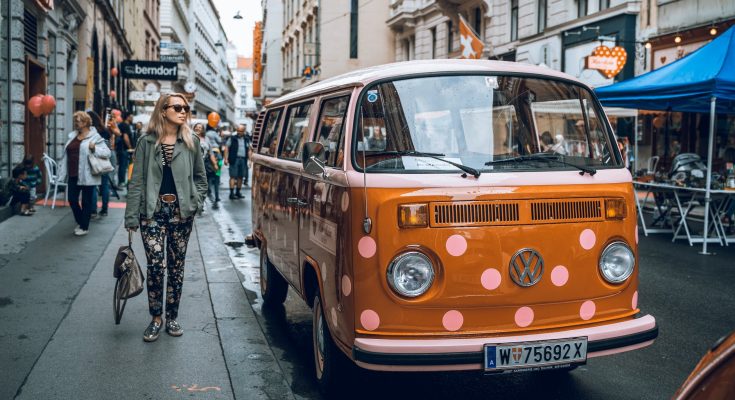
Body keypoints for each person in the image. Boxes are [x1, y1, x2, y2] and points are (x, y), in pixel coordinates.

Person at [125, 93, 207, 342]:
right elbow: (137, 181)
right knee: (156, 266)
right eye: (177, 107)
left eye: (186, 108)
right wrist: (131, 217)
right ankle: (155, 318)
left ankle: (172, 316)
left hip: (181, 213)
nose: (183, 112)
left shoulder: (191, 140)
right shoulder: (147, 142)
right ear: (163, 111)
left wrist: (196, 201)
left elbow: (201, 179)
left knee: (176, 267)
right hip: (152, 212)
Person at [58, 111, 111, 236]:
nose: (76, 123)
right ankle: (81, 221)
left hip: (87, 174)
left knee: (86, 202)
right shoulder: (72, 136)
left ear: (86, 122)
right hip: (72, 173)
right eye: (75, 121)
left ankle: (84, 226)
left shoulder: (95, 136)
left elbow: (107, 152)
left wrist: (95, 148)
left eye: (79, 121)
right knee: (72, 199)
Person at [194, 123, 220, 210]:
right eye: (196, 127)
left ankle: (201, 203)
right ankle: (195, 203)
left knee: (204, 184)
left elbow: (211, 153)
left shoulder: (206, 139)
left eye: (200, 128)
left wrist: (215, 164)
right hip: (193, 164)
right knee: (194, 184)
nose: (198, 129)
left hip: (204, 164)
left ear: (203, 130)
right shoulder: (190, 138)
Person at [224, 124, 252, 199]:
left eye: (241, 131)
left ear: (244, 131)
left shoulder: (247, 139)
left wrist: (250, 160)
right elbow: (226, 148)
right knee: (232, 176)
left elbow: (249, 150)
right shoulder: (232, 138)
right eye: (238, 131)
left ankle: (238, 192)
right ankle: (231, 193)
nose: (239, 132)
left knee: (240, 177)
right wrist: (226, 159)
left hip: (243, 160)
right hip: (234, 159)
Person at [117, 112, 134, 186]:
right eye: (131, 116)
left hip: (122, 148)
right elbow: (125, 137)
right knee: (123, 165)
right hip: (124, 149)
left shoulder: (123, 125)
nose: (132, 118)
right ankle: (122, 182)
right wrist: (130, 147)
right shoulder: (125, 125)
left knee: (123, 165)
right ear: (127, 117)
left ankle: (122, 181)